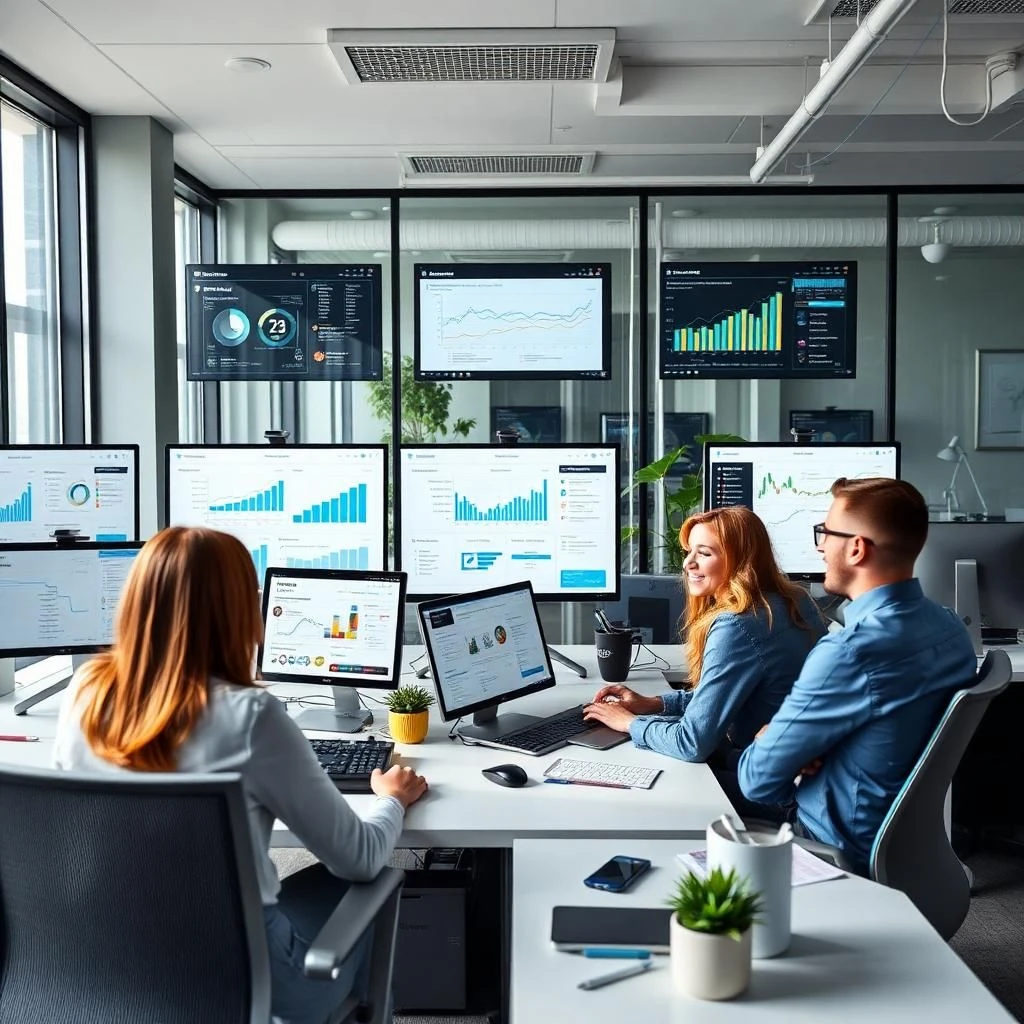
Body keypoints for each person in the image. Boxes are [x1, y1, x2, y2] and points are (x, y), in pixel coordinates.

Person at [53, 526, 427, 1024]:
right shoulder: (251, 717)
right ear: (239, 612)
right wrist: (392, 800)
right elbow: (357, 859)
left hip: (98, 966)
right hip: (240, 979)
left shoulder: (84, 694)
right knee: (368, 891)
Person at [738, 477, 977, 875]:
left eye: (825, 533)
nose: (819, 546)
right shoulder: (952, 631)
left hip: (832, 850)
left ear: (855, 548)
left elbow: (758, 782)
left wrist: (771, 741)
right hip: (907, 846)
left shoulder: (848, 652)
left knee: (694, 795)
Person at [583, 505, 825, 764]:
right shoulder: (795, 599)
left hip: (767, 785)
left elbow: (692, 743)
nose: (688, 563)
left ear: (741, 562)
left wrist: (630, 723)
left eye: (705, 553)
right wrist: (653, 704)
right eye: (689, 552)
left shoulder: (737, 625)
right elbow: (719, 699)